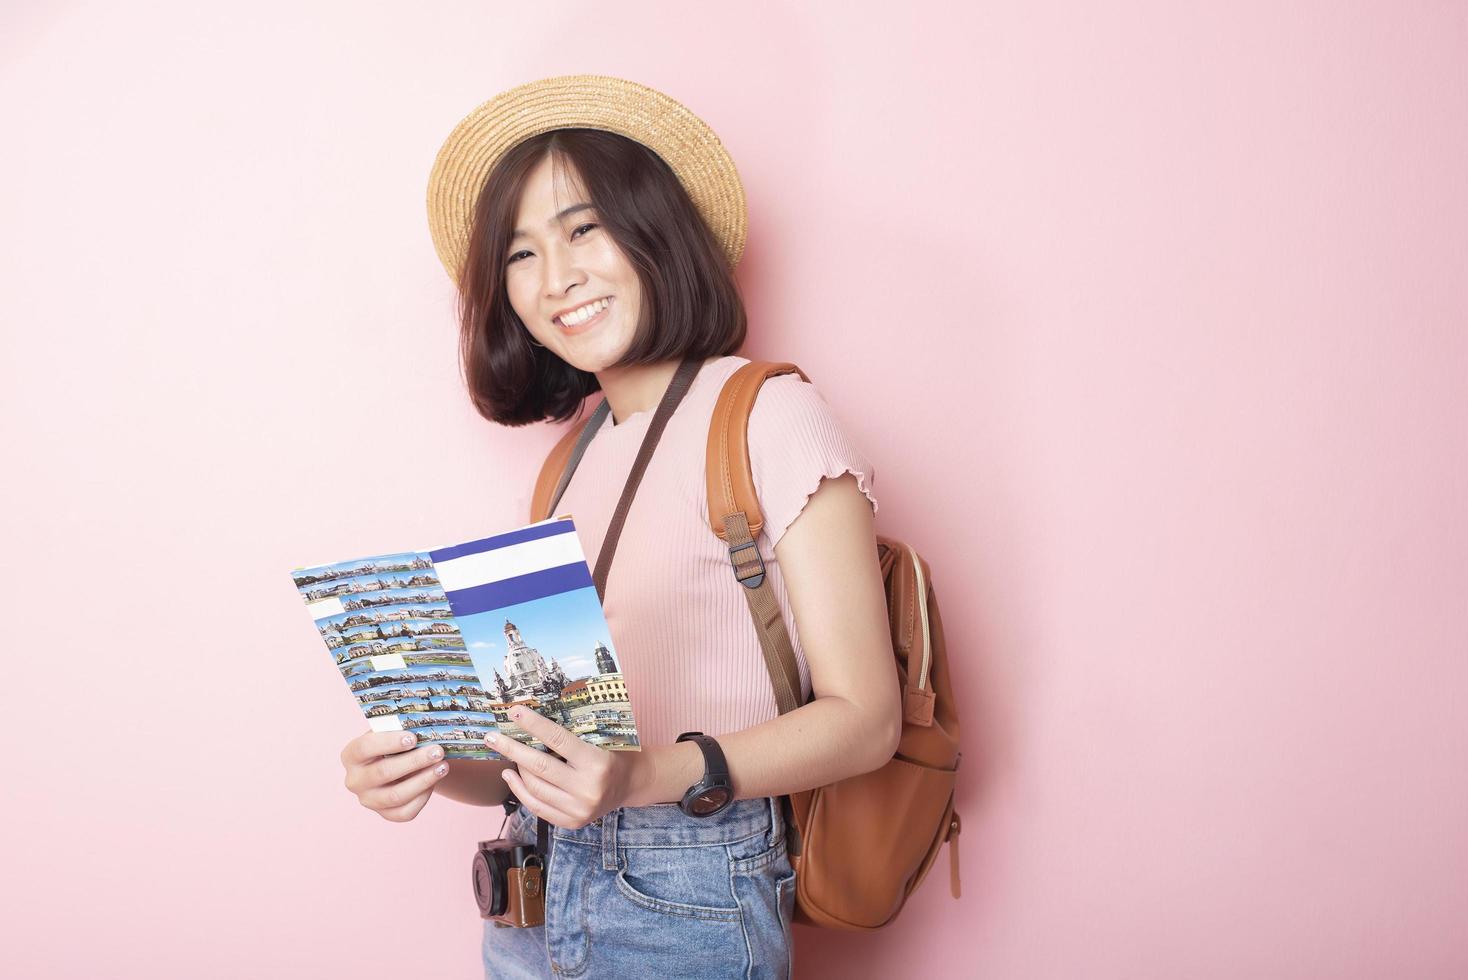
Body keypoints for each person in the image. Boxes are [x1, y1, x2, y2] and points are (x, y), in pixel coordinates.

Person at [338, 75, 901, 979]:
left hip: (689, 896)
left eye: (582, 228)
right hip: (531, 894)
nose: (555, 277)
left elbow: (867, 720)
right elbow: (542, 754)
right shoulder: (567, 463)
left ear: (655, 230)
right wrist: (434, 764)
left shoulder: (768, 413)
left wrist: (640, 777)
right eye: (519, 254)